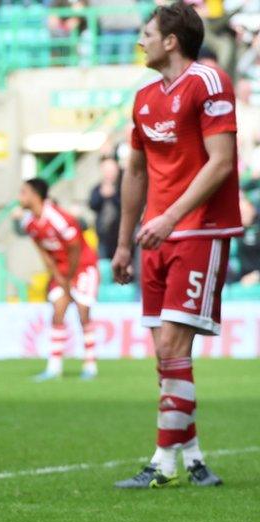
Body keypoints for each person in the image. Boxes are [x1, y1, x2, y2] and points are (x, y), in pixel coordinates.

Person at [111, 2, 240, 489]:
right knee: (165, 356)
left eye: (147, 33)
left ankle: (160, 465)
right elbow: (137, 172)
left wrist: (169, 216)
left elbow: (221, 161)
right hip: (155, 235)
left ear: (171, 41)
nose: (140, 41)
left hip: (199, 230)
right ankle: (195, 457)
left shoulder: (208, 82)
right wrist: (123, 243)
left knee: (170, 345)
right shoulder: (144, 97)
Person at [18, 178, 100, 381]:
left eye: (23, 192)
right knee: (57, 313)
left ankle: (90, 364)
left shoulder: (58, 218)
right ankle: (54, 367)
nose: (20, 197)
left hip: (83, 267)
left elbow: (75, 248)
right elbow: (43, 251)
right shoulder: (29, 223)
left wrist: (69, 278)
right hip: (61, 272)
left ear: (35, 196)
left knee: (83, 313)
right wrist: (56, 275)